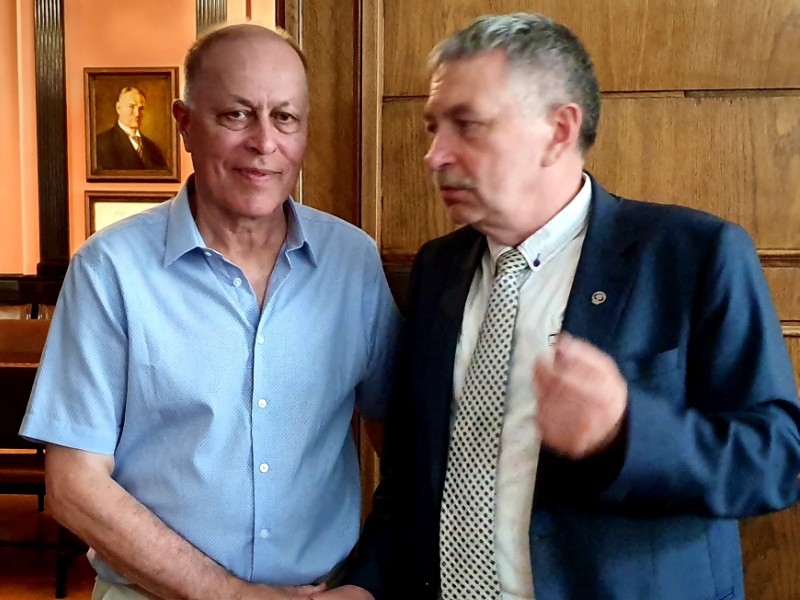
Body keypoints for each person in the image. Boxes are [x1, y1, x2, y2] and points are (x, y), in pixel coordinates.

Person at [331, 12, 800, 600]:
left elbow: (778, 459)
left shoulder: (692, 255)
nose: (434, 155)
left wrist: (625, 433)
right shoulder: (438, 269)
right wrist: (367, 584)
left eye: (467, 126)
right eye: (434, 128)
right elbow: (412, 474)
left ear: (558, 131)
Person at [21, 23, 400, 600]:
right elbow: (74, 486)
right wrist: (233, 596)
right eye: (236, 115)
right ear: (184, 124)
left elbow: (402, 445)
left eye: (285, 118)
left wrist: (373, 580)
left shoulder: (353, 261)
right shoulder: (111, 268)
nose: (264, 143)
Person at [95, 86, 168, 170]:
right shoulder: (101, 145)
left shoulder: (153, 149)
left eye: (141, 108)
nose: (137, 114)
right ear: (118, 108)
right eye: (131, 107)